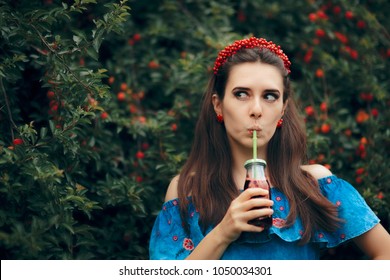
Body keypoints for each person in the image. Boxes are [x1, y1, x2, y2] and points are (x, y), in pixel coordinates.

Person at [149, 37, 390, 260]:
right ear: (218, 105)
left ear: (283, 109)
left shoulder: (314, 184)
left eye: (270, 96)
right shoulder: (187, 189)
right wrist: (223, 232)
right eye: (241, 94)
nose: (256, 109)